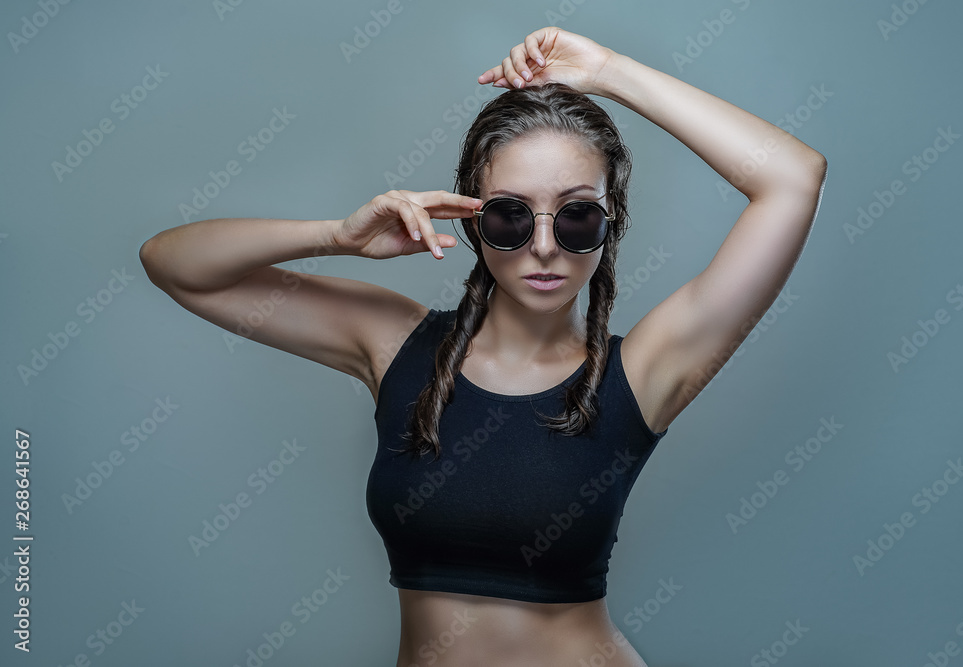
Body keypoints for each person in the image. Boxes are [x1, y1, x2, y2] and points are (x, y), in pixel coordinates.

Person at [140, 25, 826, 667]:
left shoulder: (644, 372)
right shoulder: (393, 343)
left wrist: (609, 73)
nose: (546, 245)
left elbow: (792, 177)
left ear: (610, 224)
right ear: (470, 217)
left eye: (578, 214)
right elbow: (175, 265)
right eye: (511, 215)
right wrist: (337, 236)